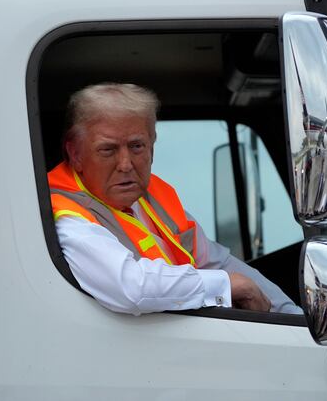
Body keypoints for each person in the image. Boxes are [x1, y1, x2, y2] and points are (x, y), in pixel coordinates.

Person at [48, 83, 302, 316]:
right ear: (76, 153)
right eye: (108, 150)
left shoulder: (153, 198)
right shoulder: (65, 213)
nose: (125, 164)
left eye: (137, 146)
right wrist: (225, 285)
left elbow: (219, 261)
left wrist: (292, 317)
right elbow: (131, 288)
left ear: (152, 146)